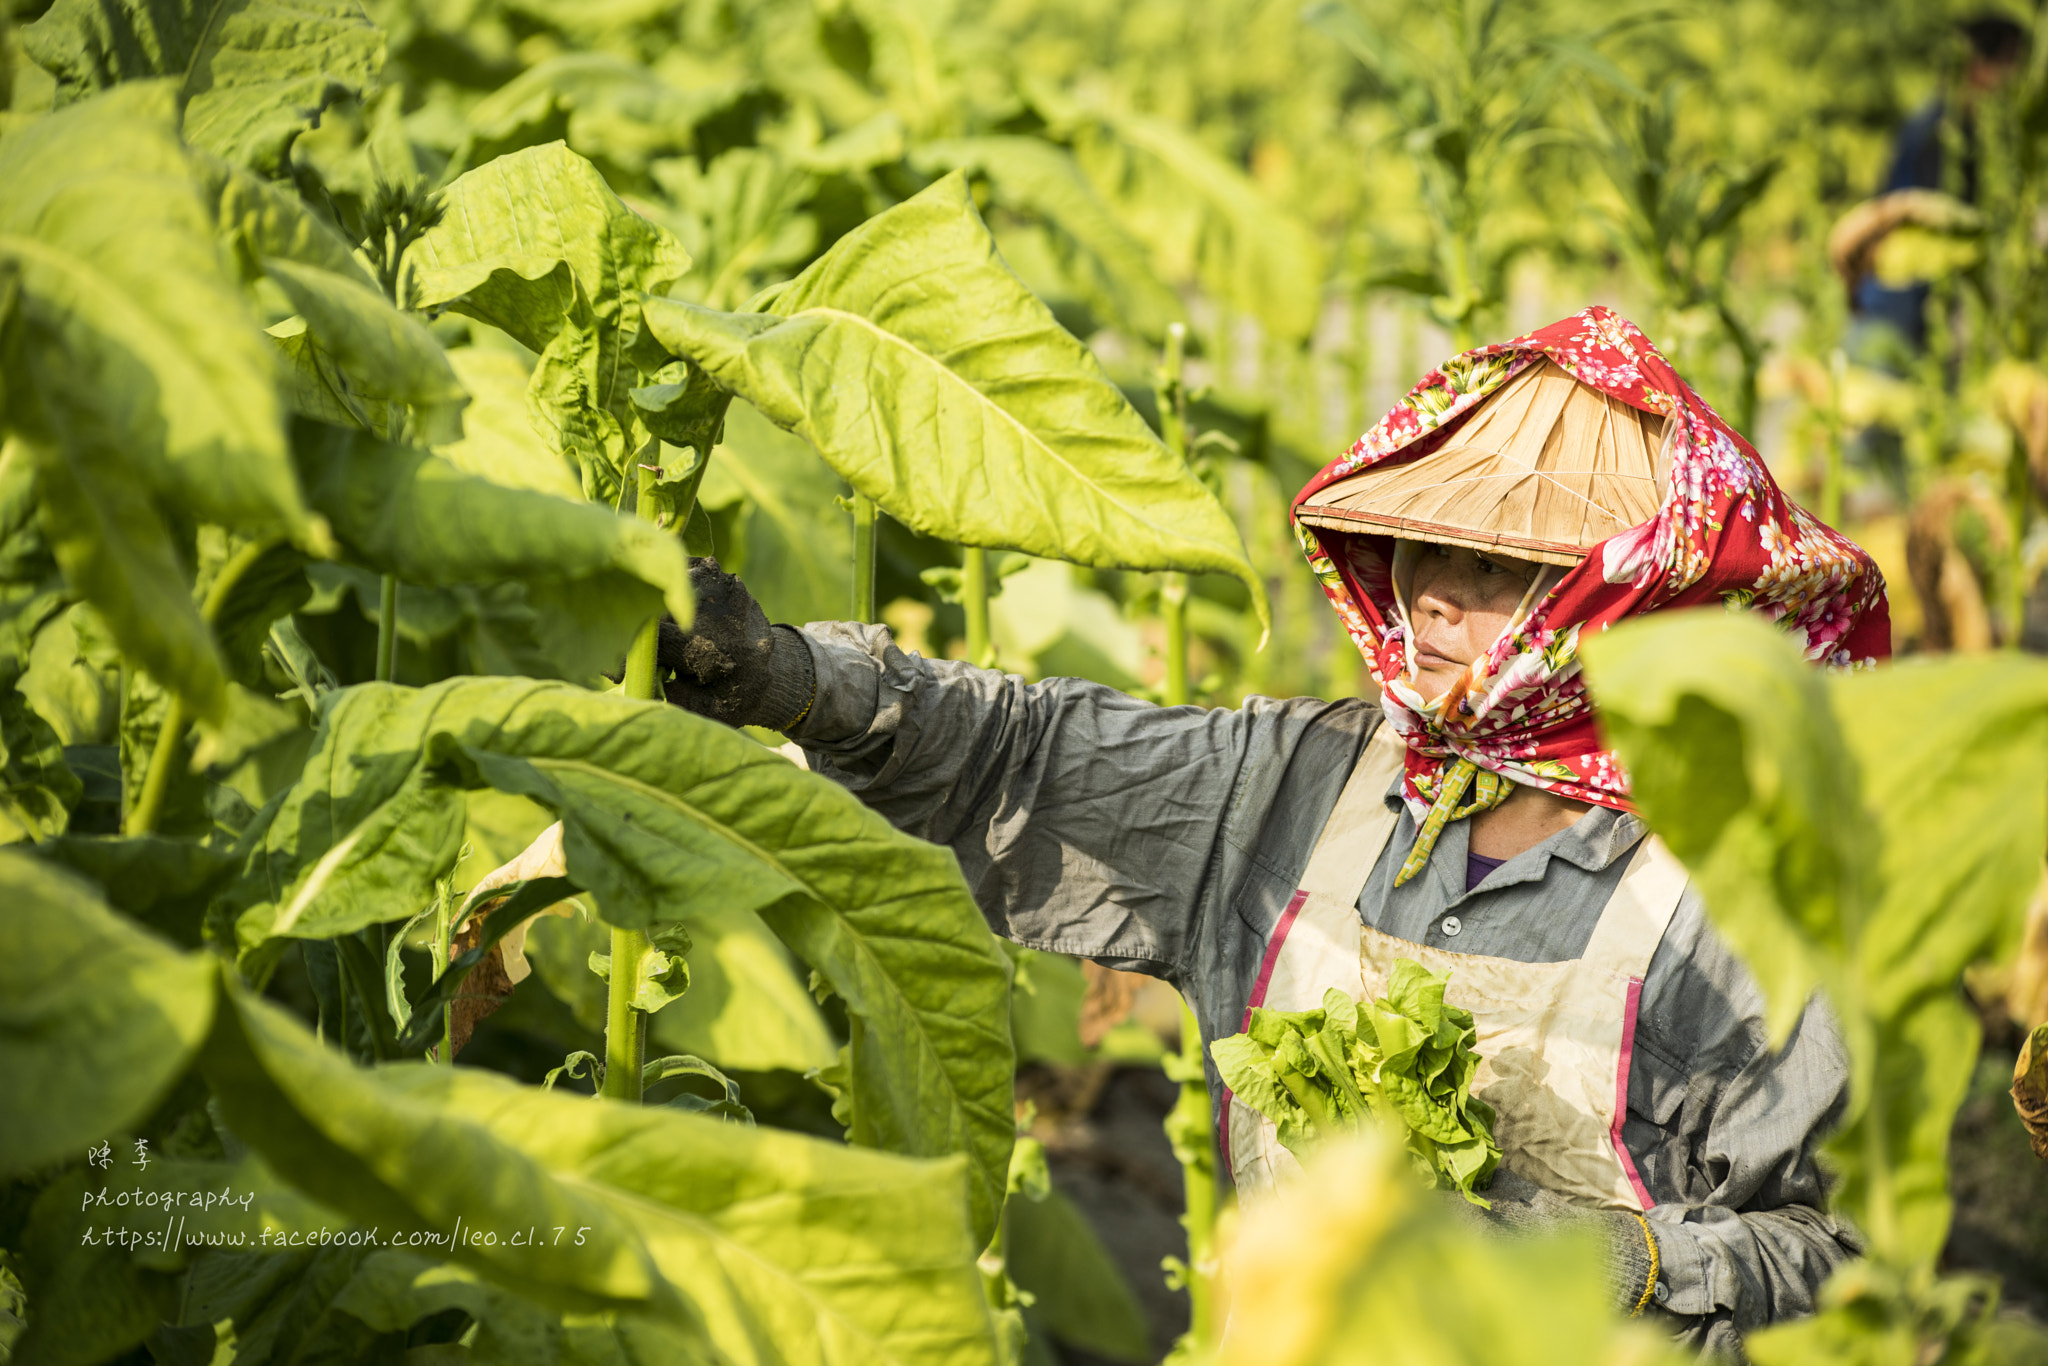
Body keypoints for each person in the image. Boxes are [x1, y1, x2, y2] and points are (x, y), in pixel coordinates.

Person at [658, 308, 1892, 1354]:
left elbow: (1839, 1260)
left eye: (1498, 568)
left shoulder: (1742, 887)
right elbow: (1019, 755)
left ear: (1626, 602)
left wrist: (1617, 1264)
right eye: (1419, 547)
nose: (1430, 596)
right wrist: (791, 680)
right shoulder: (1305, 781)